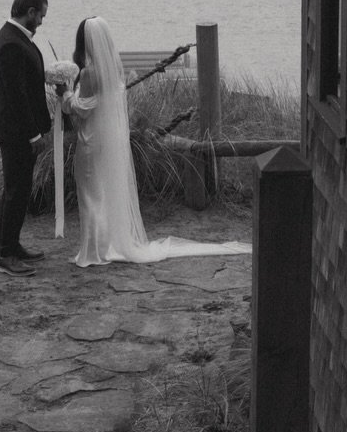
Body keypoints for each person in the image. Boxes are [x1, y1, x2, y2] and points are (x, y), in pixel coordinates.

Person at [65, 16, 251, 267]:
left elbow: (83, 109)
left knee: (91, 193)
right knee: (105, 191)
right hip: (108, 141)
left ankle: (95, 250)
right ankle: (106, 243)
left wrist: (64, 95)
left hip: (91, 141)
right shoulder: (113, 71)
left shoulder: (88, 73)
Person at [0, 0, 54, 275]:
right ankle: (5, 255)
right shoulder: (11, 44)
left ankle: (13, 246)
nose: (41, 21)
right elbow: (17, 97)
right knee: (15, 192)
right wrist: (34, 135)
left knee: (19, 190)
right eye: (40, 15)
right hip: (16, 134)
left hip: (19, 132)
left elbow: (28, 83)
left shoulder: (15, 38)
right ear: (29, 12)